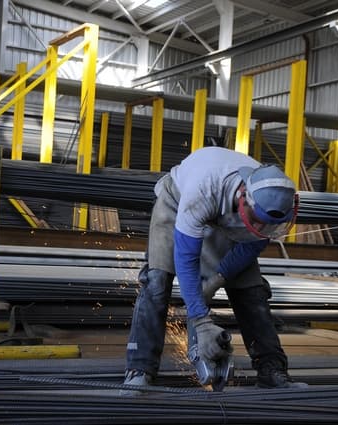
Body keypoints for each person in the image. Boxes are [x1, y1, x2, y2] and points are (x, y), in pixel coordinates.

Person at [122, 146, 308, 394]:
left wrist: (217, 279)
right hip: (177, 203)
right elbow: (186, 258)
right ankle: (140, 369)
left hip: (230, 217)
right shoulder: (202, 190)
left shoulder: (271, 204)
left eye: (268, 224)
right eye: (257, 220)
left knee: (252, 291)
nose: (263, 226)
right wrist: (201, 321)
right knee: (157, 281)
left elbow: (249, 248)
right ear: (243, 196)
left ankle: (271, 370)